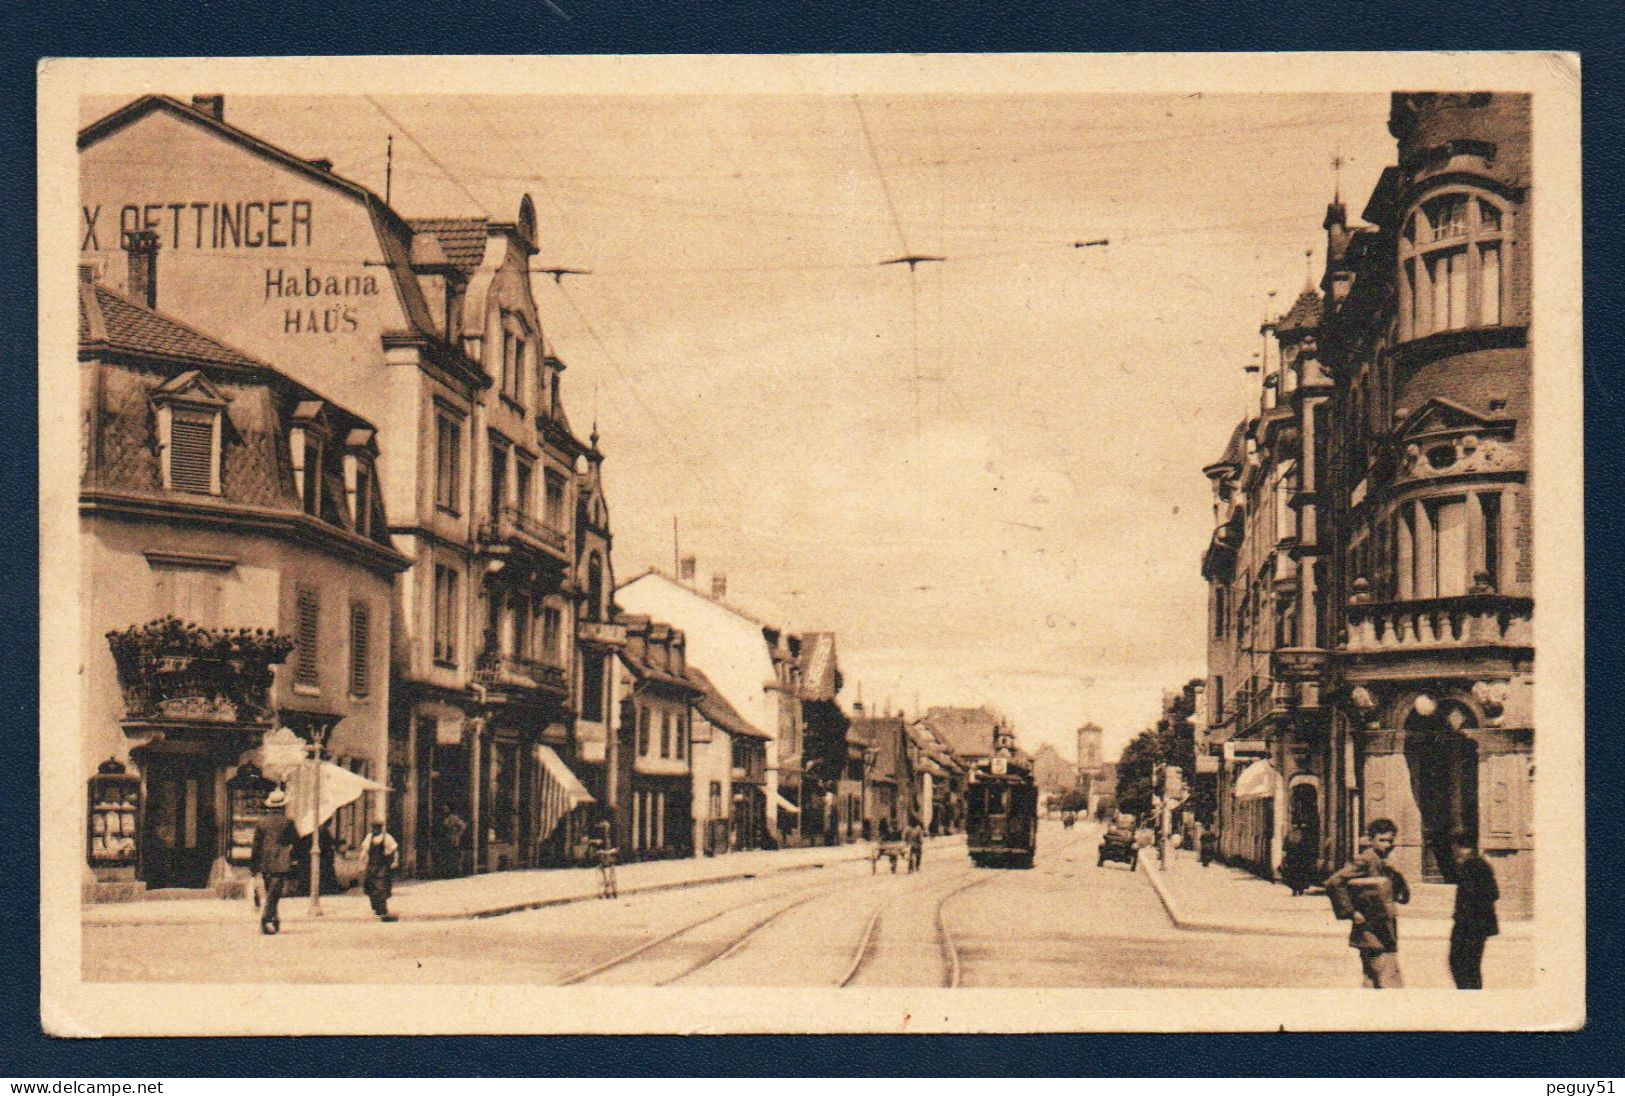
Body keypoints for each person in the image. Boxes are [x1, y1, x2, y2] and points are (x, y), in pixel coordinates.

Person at [1325, 818, 1412, 988]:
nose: (1387, 845)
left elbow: (1401, 895)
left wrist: (1395, 873)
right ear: (1371, 840)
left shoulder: (1385, 861)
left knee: (1371, 978)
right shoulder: (1366, 860)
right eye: (1382, 840)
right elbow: (1333, 882)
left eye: (1390, 840)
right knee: (1389, 980)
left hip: (1382, 926)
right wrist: (1351, 912)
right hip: (1371, 928)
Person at [1448, 830, 1500, 989]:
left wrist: (1464, 921)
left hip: (1469, 926)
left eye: (1454, 847)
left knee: (1461, 966)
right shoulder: (1482, 864)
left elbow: (1472, 898)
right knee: (1471, 968)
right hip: (1480, 926)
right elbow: (1494, 893)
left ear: (1458, 847)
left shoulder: (1469, 866)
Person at [249, 788, 298, 935]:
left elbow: (256, 845)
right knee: (274, 892)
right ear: (283, 806)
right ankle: (266, 919)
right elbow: (295, 841)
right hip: (281, 861)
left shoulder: (261, 822)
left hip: (264, 861)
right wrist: (294, 858)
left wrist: (253, 865)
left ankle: (275, 919)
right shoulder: (288, 822)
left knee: (271, 891)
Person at [359, 818, 400, 922]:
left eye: (377, 827)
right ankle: (376, 908)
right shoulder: (369, 837)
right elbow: (364, 851)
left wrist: (395, 861)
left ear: (381, 828)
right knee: (370, 888)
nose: (375, 829)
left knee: (381, 888)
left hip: (382, 866)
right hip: (371, 866)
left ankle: (382, 910)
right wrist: (361, 863)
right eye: (374, 827)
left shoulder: (387, 838)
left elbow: (395, 851)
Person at [1281, 823, 1317, 896]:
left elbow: (1285, 847)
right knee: (1298, 873)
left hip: (1296, 858)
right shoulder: (1294, 835)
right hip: (1298, 858)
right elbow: (1285, 846)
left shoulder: (1293, 835)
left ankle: (1297, 889)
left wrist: (1284, 857)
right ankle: (1298, 889)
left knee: (1295, 874)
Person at [437, 805, 468, 879]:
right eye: (443, 809)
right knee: (446, 856)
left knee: (454, 855)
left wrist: (458, 835)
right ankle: (447, 873)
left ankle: (456, 872)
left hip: (453, 839)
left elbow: (463, 826)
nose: (444, 810)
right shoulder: (441, 818)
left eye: (445, 809)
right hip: (445, 839)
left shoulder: (453, 817)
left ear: (449, 809)